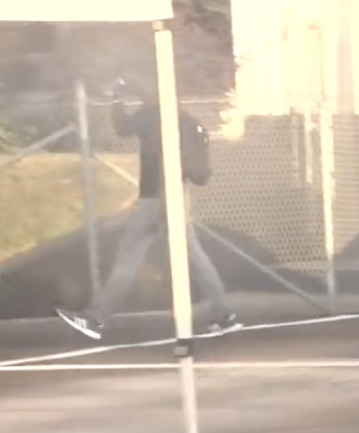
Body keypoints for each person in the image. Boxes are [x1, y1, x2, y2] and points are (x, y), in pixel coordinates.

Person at [57, 80, 238, 341]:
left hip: (155, 196)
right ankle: (224, 314)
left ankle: (96, 318)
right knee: (192, 254)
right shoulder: (186, 119)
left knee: (129, 254)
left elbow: (122, 128)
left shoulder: (152, 114)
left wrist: (116, 99)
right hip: (178, 193)